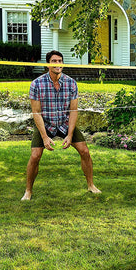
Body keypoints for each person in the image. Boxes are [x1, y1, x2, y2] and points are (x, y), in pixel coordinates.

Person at [21, 50, 101, 200]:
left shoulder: (71, 83)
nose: (57, 64)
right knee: (35, 155)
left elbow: (73, 111)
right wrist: (44, 137)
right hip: (45, 125)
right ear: (48, 64)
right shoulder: (36, 84)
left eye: (60, 61)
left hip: (64, 123)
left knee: (84, 151)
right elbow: (36, 113)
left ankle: (91, 185)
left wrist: (70, 135)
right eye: (54, 61)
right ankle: (28, 191)